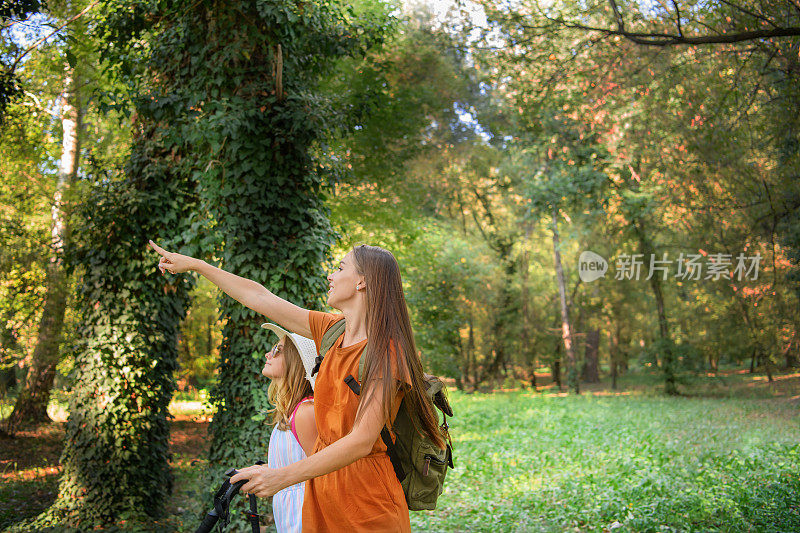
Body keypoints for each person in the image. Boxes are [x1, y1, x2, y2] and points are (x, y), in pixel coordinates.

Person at [149, 241, 444, 532]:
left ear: (362, 283)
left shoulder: (386, 353)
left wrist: (281, 477)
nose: (331, 275)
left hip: (366, 503)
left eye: (340, 268)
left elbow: (362, 440)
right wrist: (199, 266)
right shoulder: (331, 330)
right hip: (323, 494)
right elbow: (259, 297)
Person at [259, 323, 318, 533]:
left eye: (278, 350)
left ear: (296, 361)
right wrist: (262, 472)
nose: (268, 354)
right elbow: (297, 463)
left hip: (305, 518)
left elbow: (324, 474)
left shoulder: (305, 412)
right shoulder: (291, 412)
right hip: (290, 516)